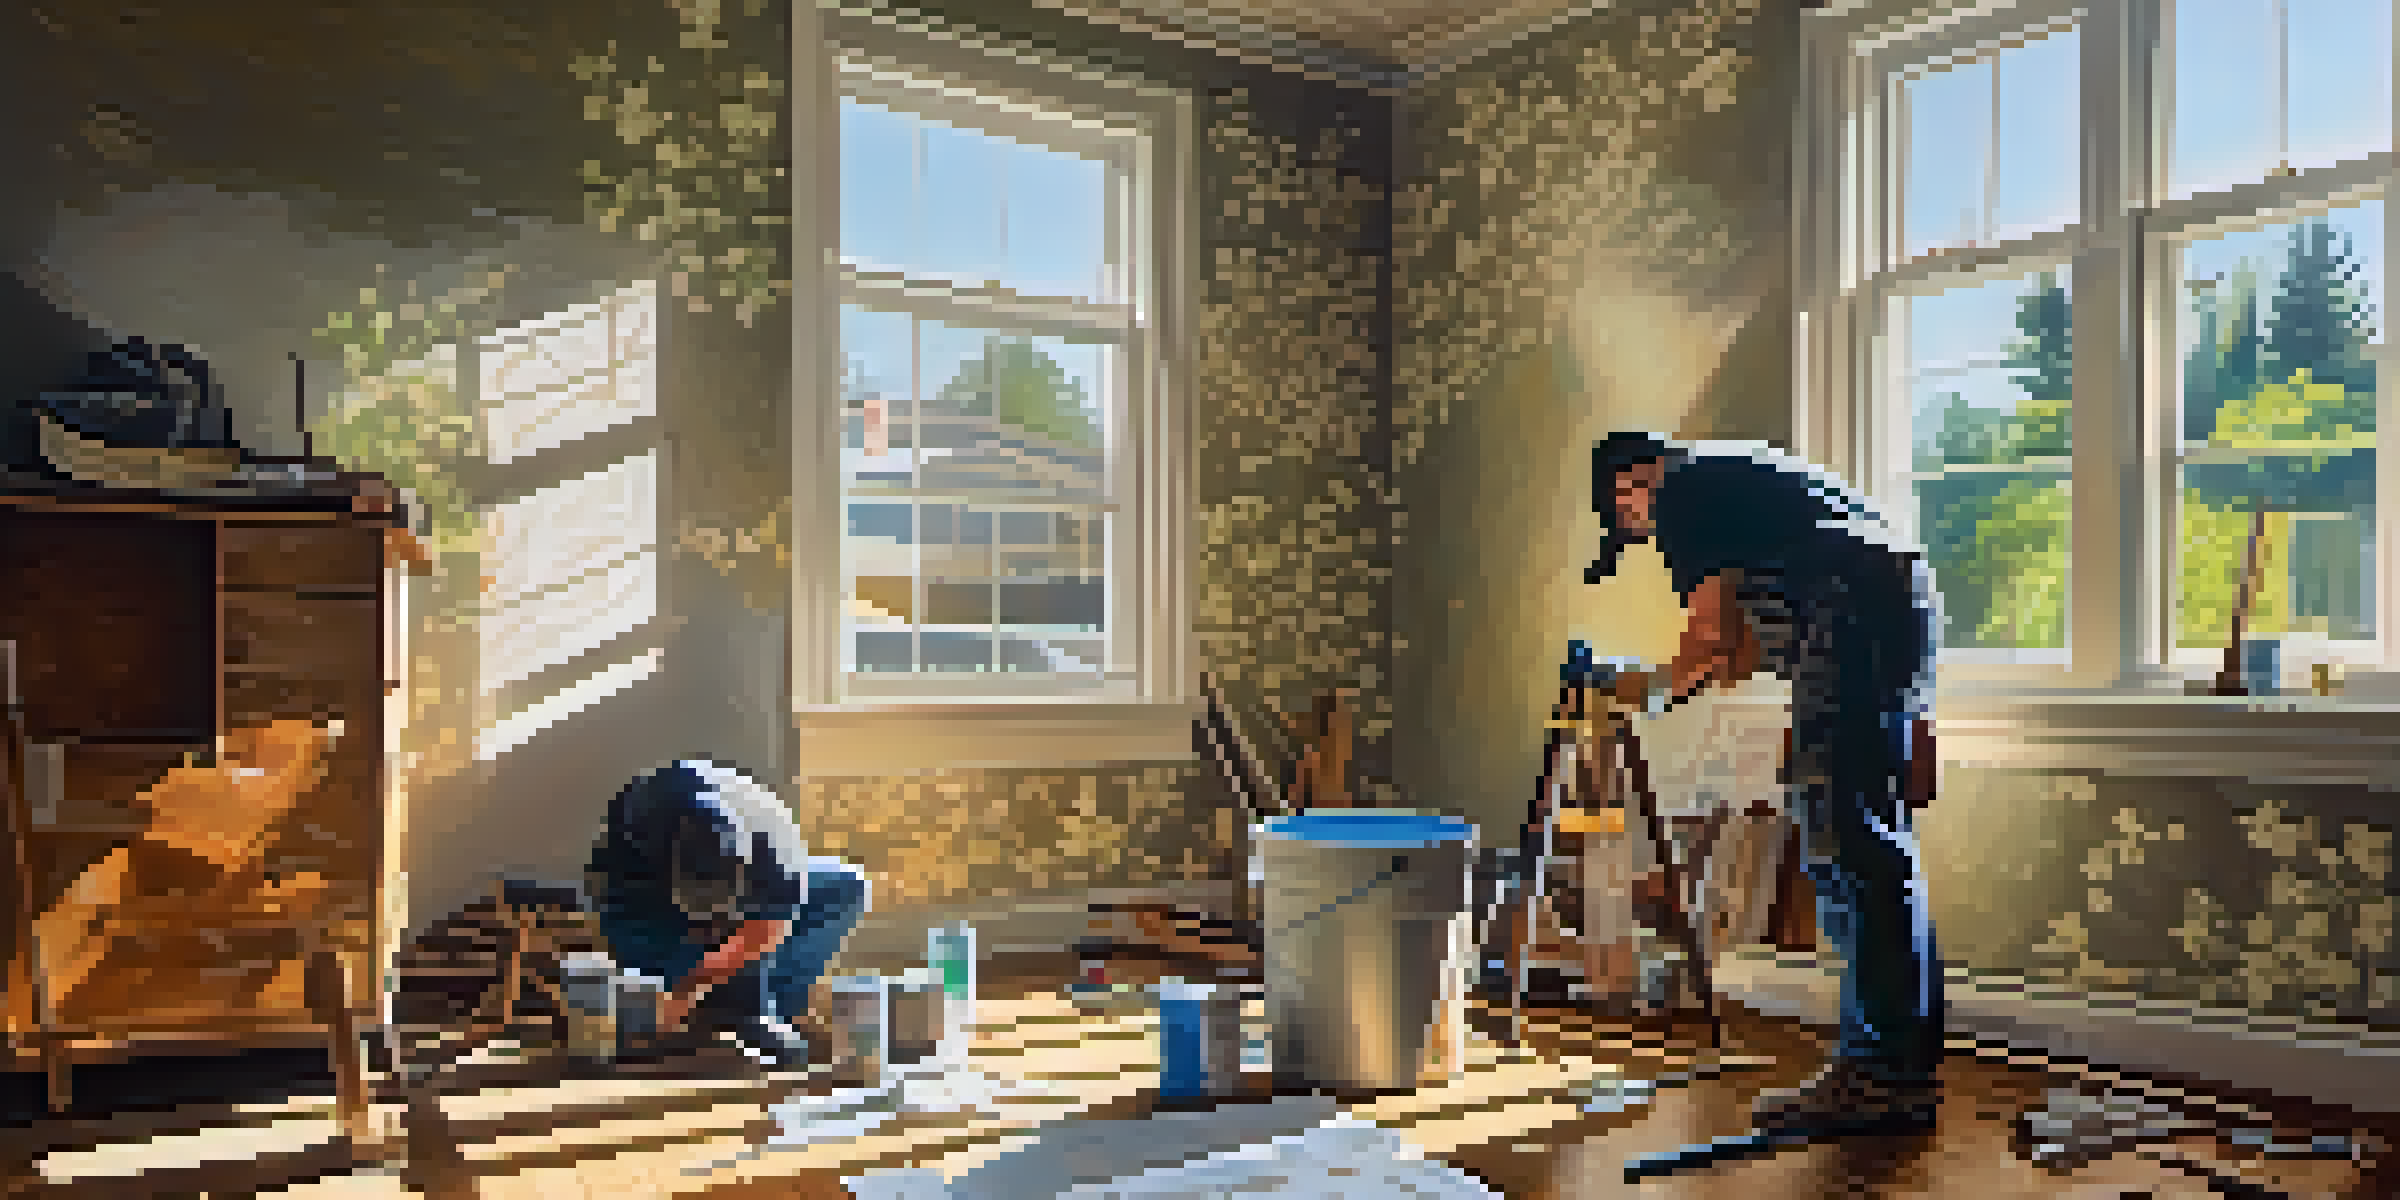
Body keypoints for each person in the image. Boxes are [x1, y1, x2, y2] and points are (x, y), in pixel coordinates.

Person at [1582, 431, 1945, 1137]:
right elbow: (1739, 657)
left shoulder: (1683, 485)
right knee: (1868, 845)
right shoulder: (1762, 496)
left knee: (1846, 849)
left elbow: (1712, 638)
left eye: (1629, 522)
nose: (1645, 535)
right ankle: (1898, 1068)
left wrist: (1636, 684)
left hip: (1851, 610)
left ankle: (1881, 1075)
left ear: (1630, 485)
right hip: (1890, 605)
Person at [585, 759, 872, 1069]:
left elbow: (765, 932)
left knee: (846, 886)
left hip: (750, 901)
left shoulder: (774, 851)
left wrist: (699, 983)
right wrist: (672, 993)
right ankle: (705, 1014)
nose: (712, 921)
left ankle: (774, 1008)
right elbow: (611, 903)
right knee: (646, 1013)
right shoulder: (641, 824)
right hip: (655, 915)